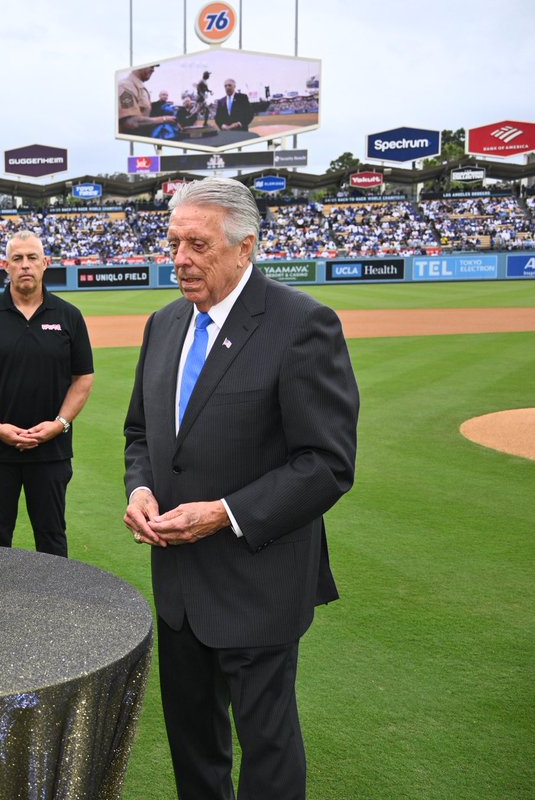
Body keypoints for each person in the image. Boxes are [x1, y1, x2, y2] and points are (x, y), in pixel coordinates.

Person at [122, 177, 359, 800]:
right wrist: (140, 489)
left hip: (259, 583)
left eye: (197, 245)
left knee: (268, 750)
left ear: (244, 247)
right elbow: (141, 432)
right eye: (174, 243)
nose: (179, 259)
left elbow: (327, 463)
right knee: (194, 749)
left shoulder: (302, 324)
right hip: (177, 586)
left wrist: (226, 513)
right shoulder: (164, 323)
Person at [0, 231, 94, 558]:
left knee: (52, 537)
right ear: (6, 266)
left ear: (46, 263)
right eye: (17, 259)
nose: (25, 265)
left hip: (51, 451)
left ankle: (59, 606)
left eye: (32, 258)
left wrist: (59, 424)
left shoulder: (68, 316)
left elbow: (83, 379)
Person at [117, 64, 176, 136]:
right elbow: (131, 122)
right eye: (151, 66)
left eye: (154, 67)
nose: (153, 70)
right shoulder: (125, 86)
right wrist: (164, 119)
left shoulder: (140, 88)